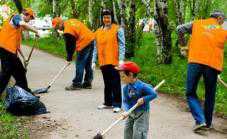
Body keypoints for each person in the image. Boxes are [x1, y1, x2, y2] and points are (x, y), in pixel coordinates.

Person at [177, 10, 227, 132]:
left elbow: (179, 29)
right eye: (223, 20)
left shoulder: (197, 23)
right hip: (212, 64)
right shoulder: (224, 27)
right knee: (210, 95)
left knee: (190, 92)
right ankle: (207, 123)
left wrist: (183, 47)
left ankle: (200, 121)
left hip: (195, 61)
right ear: (219, 18)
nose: (222, 22)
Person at [0, 8, 39, 99]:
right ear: (27, 15)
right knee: (7, 74)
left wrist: (24, 57)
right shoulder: (16, 17)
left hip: (10, 52)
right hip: (5, 49)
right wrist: (36, 31)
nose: (30, 20)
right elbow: (23, 24)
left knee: (19, 72)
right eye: (31, 18)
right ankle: (25, 92)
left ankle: (25, 93)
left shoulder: (18, 28)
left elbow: (17, 45)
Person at [92, 8, 125, 113]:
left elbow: (122, 45)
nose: (106, 19)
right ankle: (108, 102)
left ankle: (117, 104)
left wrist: (121, 59)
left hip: (114, 61)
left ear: (111, 18)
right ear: (102, 18)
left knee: (115, 82)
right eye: (104, 17)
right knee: (107, 83)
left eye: (108, 17)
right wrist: (93, 60)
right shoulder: (97, 32)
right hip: (103, 61)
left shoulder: (117, 29)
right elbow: (95, 48)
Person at [116, 61, 157, 139]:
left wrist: (144, 99)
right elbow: (125, 101)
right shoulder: (126, 88)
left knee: (138, 134)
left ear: (131, 75)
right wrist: (126, 111)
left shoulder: (142, 86)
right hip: (131, 113)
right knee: (127, 132)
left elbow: (154, 94)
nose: (121, 79)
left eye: (123, 76)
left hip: (142, 113)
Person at [52, 17, 95, 90]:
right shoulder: (71, 21)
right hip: (91, 39)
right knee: (88, 63)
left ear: (60, 23)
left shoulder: (67, 31)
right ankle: (88, 82)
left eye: (57, 27)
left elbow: (70, 46)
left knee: (80, 63)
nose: (57, 29)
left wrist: (69, 58)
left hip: (83, 42)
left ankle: (77, 84)